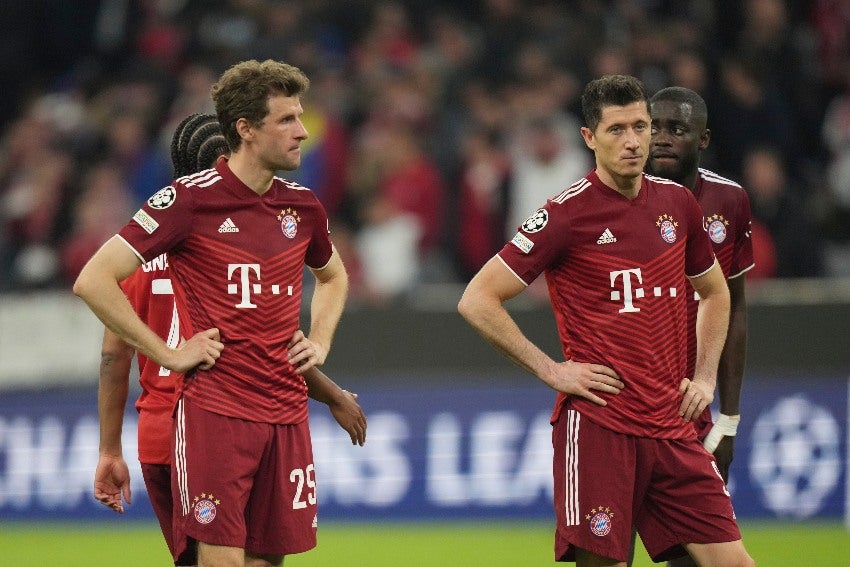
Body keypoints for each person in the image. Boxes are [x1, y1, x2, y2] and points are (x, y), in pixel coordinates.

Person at [457, 75, 755, 567]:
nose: (635, 141)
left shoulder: (677, 205)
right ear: (589, 138)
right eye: (617, 129)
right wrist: (553, 370)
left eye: (640, 126)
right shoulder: (566, 214)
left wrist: (704, 378)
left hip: (671, 426)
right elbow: (478, 299)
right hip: (601, 425)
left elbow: (716, 292)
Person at [74, 59, 350, 567]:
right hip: (215, 414)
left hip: (286, 415)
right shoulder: (186, 201)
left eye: (300, 116)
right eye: (286, 120)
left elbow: (334, 276)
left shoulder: (304, 207)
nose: (302, 132)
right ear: (244, 129)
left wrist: (322, 340)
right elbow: (93, 279)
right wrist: (167, 352)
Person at [642, 86, 755, 567]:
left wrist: (728, 420)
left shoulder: (728, 202)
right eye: (655, 128)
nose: (662, 139)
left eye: (677, 129)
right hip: (625, 397)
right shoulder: (613, 199)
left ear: (703, 138)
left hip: (693, 406)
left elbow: (735, 310)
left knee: (696, 555)